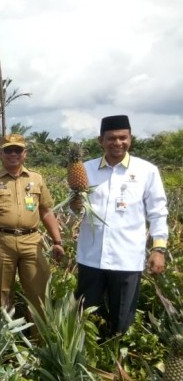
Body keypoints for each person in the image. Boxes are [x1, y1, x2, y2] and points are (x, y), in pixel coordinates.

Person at [72, 115, 168, 336]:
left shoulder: (147, 171)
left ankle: (114, 360)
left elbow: (158, 211)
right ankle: (87, 359)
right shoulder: (85, 170)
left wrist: (158, 248)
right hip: (91, 257)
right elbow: (75, 209)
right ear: (101, 141)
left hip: (127, 258)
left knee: (122, 317)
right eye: (111, 138)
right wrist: (75, 205)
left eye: (122, 138)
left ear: (130, 138)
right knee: (86, 315)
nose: (117, 143)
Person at [0, 133, 64, 314]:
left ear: (24, 153)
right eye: (8, 150)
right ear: (0, 154)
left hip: (32, 240)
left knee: (38, 291)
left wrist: (57, 241)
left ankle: (38, 337)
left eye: (17, 150)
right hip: (2, 241)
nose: (13, 154)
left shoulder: (36, 178)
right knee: (2, 293)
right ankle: (6, 336)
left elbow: (46, 211)